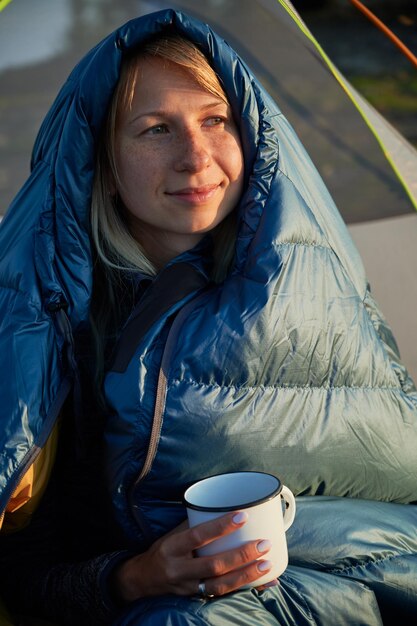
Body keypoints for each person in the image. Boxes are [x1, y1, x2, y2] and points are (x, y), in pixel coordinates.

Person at [0, 8, 417, 626]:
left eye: (215, 120)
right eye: (155, 129)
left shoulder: (309, 285)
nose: (196, 157)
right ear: (104, 166)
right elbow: (27, 580)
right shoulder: (70, 332)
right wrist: (131, 578)